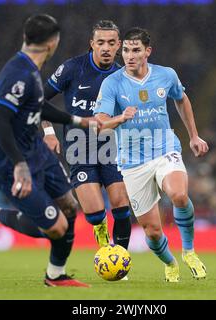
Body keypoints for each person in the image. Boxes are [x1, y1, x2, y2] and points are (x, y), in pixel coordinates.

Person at [0, 14, 93, 287]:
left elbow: (38, 107)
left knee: (69, 207)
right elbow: (0, 119)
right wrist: (18, 164)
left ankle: (55, 275)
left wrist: (79, 121)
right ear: (53, 42)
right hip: (9, 159)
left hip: (35, 149)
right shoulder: (18, 74)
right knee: (55, 227)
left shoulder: (31, 68)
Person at [94, 27, 209, 282]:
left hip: (165, 148)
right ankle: (170, 263)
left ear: (148, 51)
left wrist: (193, 135)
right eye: (125, 50)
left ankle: (189, 251)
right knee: (153, 232)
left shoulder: (166, 75)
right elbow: (100, 122)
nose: (129, 55)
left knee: (179, 194)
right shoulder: (112, 83)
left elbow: (181, 99)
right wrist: (120, 117)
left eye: (136, 50)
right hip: (133, 161)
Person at [42, 21, 132, 253]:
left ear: (118, 46)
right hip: (79, 148)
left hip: (112, 147)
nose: (105, 48)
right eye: (100, 42)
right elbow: (39, 100)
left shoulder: (123, 77)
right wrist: (49, 132)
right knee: (95, 214)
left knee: (122, 206)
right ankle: (105, 251)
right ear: (92, 44)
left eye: (111, 43)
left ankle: (120, 259)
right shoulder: (73, 68)